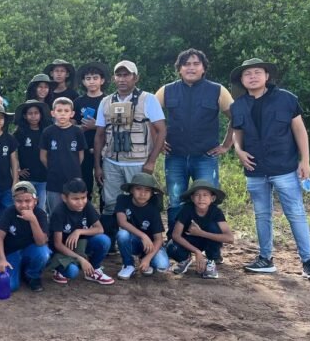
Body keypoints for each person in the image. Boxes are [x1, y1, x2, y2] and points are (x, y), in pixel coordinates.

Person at [230, 58, 310, 280]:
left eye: (257, 72)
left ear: (267, 76)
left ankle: (308, 262)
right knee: (262, 215)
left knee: (296, 213)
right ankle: (265, 258)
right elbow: (237, 133)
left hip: (284, 167)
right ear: (242, 80)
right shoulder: (238, 105)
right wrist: (238, 150)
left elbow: (300, 131)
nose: (252, 77)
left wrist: (305, 161)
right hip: (255, 169)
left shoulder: (286, 99)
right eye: (247, 74)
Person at [155, 49, 234, 231]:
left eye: (196, 64)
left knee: (207, 203)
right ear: (179, 69)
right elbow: (148, 117)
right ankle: (176, 245)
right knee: (176, 201)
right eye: (186, 64)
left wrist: (226, 145)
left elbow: (236, 118)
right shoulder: (166, 91)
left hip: (205, 157)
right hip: (175, 156)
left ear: (203, 68)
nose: (191, 68)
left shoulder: (217, 90)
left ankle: (211, 247)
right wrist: (157, 142)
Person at [94, 60, 166, 246]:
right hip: (111, 162)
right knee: (110, 203)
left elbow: (161, 130)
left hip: (138, 162)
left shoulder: (148, 99)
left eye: (127, 75)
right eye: (119, 75)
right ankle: (110, 244)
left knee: (140, 203)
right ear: (113, 78)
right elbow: (100, 134)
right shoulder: (106, 101)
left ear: (136, 77)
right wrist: (98, 166)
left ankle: (144, 243)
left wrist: (151, 161)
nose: (122, 79)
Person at [47, 178, 114, 285]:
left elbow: (99, 229)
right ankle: (59, 269)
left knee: (104, 240)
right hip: (62, 250)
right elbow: (58, 244)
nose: (80, 203)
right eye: (75, 199)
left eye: (83, 198)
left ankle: (93, 270)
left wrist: (79, 231)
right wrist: (80, 259)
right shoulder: (58, 212)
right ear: (64, 198)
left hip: (81, 245)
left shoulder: (86, 206)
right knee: (73, 272)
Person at [166, 179, 234, 279]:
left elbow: (230, 238)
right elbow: (176, 235)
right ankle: (184, 259)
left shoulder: (216, 212)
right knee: (171, 247)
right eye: (197, 195)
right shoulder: (186, 209)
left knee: (214, 227)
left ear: (213, 198)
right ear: (192, 198)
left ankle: (211, 261)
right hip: (190, 241)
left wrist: (200, 233)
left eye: (205, 195)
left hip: (208, 241)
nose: (201, 198)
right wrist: (197, 252)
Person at [0, 181, 51, 293]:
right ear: (13, 201)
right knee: (10, 286)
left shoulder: (40, 214)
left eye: (28, 201)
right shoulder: (8, 213)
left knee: (43, 253)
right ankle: (18, 271)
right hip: (11, 252)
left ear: (35, 201)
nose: (24, 205)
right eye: (19, 201)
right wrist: (1, 259)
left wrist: (33, 220)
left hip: (31, 251)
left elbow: (41, 242)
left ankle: (32, 275)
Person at [114, 173, 169, 280]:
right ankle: (128, 264)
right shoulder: (122, 200)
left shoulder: (153, 210)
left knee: (162, 265)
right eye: (138, 189)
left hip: (150, 245)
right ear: (131, 190)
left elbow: (158, 239)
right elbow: (122, 222)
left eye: (147, 190)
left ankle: (145, 260)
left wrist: (147, 259)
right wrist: (143, 236)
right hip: (133, 240)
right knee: (122, 234)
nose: (143, 193)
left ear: (152, 193)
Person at [39, 97, 86, 215]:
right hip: (54, 180)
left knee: (75, 211)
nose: (62, 114)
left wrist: (71, 168)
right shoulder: (48, 132)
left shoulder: (77, 132)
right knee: (55, 213)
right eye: (59, 111)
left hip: (74, 178)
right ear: (53, 113)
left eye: (66, 111)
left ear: (72, 114)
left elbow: (80, 156)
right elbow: (43, 156)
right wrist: (53, 168)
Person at [74, 62, 109, 210]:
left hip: (106, 150)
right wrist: (82, 128)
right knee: (84, 186)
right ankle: (84, 218)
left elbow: (116, 125)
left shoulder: (109, 100)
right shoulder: (78, 102)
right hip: (83, 150)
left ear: (102, 80)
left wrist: (96, 126)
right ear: (83, 82)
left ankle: (107, 221)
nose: (92, 81)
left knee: (105, 187)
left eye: (95, 78)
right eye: (88, 78)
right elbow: (69, 125)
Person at [13, 100, 51, 211]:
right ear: (25, 116)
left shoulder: (47, 131)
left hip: (44, 176)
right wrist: (17, 171)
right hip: (27, 177)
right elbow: (12, 153)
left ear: (41, 115)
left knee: (41, 206)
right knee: (26, 206)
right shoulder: (20, 133)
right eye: (30, 113)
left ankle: (41, 227)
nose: (33, 116)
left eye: (36, 113)